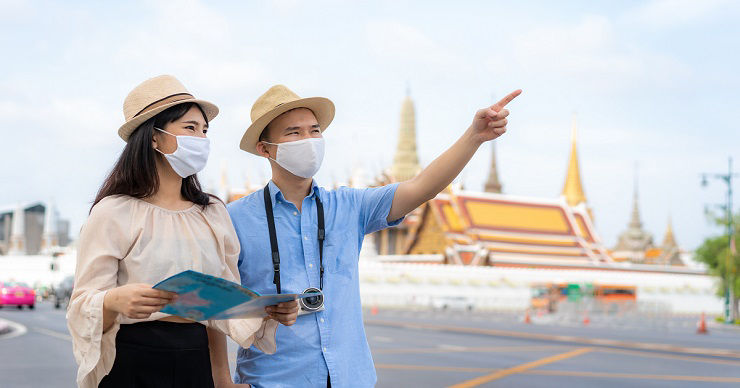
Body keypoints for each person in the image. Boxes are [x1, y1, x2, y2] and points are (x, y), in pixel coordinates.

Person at [227, 84, 521, 387]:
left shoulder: (349, 207)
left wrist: (474, 137)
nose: (309, 140)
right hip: (273, 380)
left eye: (314, 131)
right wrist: (257, 315)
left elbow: (422, 188)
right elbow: (210, 305)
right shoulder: (233, 219)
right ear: (265, 148)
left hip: (350, 378)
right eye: (294, 133)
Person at [67, 75, 299, 388]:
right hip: (131, 357)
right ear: (153, 137)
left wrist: (268, 309)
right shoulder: (113, 212)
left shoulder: (212, 213)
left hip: (194, 357)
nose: (201, 139)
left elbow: (220, 303)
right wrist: (113, 300)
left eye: (204, 131)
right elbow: (82, 305)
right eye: (190, 128)